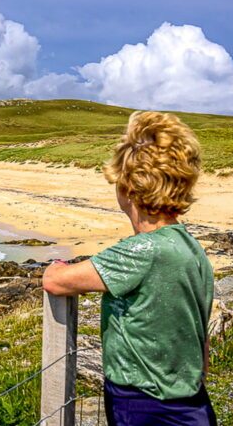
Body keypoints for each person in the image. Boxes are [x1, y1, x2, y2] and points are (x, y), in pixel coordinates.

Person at [42, 111, 216, 425]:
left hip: (142, 403)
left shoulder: (141, 250)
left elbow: (56, 281)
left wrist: (58, 263)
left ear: (129, 188)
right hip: (190, 399)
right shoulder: (189, 246)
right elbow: (200, 329)